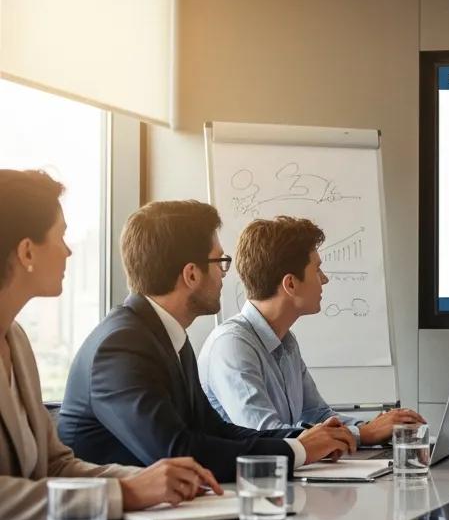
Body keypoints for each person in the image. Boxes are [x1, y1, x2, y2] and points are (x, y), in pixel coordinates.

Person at [59, 201, 356, 482]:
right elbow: (178, 451)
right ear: (191, 274)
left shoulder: (166, 335)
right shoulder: (121, 346)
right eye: (220, 262)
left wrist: (300, 440)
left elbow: (214, 430)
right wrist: (299, 450)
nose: (225, 275)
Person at [0, 170, 222, 520]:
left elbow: (56, 466)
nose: (68, 250)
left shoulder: (17, 341)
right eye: (61, 236)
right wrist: (128, 493)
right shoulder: (121, 342)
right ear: (27, 250)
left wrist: (144, 480)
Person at [198, 215, 423, 440]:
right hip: (246, 475)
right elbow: (266, 435)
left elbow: (317, 414)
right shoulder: (231, 345)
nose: (324, 279)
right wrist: (363, 433)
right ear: (291, 284)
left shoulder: (286, 341)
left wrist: (379, 426)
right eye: (317, 269)